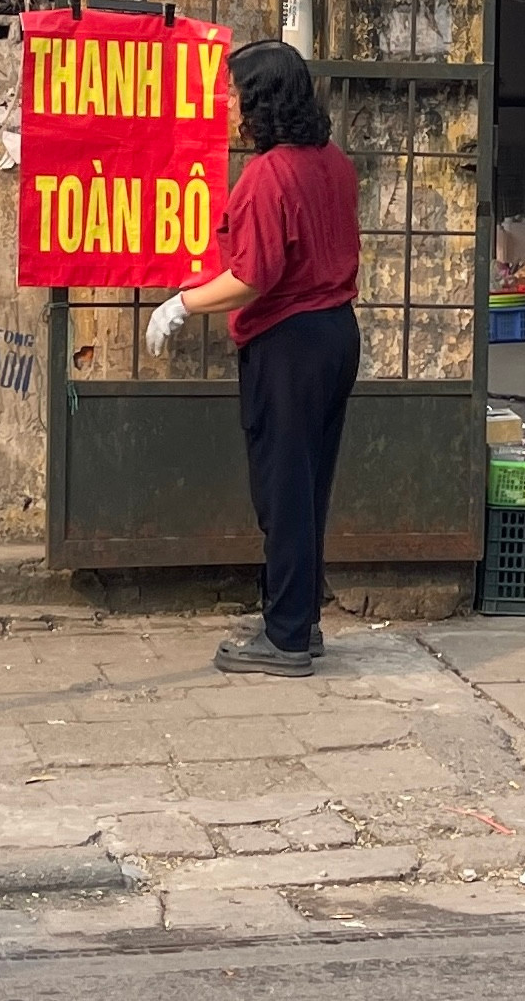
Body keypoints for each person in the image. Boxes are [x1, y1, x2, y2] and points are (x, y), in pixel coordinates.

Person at [144, 41, 360, 676]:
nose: (230, 105)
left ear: (262, 100)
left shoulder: (270, 175)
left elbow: (253, 278)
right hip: (335, 332)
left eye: (236, 94)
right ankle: (298, 618)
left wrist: (182, 304)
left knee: (282, 488)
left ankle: (287, 635)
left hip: (289, 340)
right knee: (309, 484)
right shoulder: (333, 162)